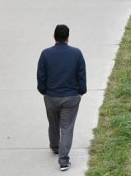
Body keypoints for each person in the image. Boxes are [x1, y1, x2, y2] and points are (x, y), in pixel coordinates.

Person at [37, 24, 87, 172]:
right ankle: (64, 161)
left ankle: (55, 147)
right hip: (71, 97)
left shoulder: (45, 54)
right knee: (66, 128)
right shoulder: (76, 53)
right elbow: (81, 75)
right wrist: (81, 92)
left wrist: (43, 91)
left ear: (54, 37)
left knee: (53, 123)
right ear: (67, 37)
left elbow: (41, 76)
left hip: (51, 97)